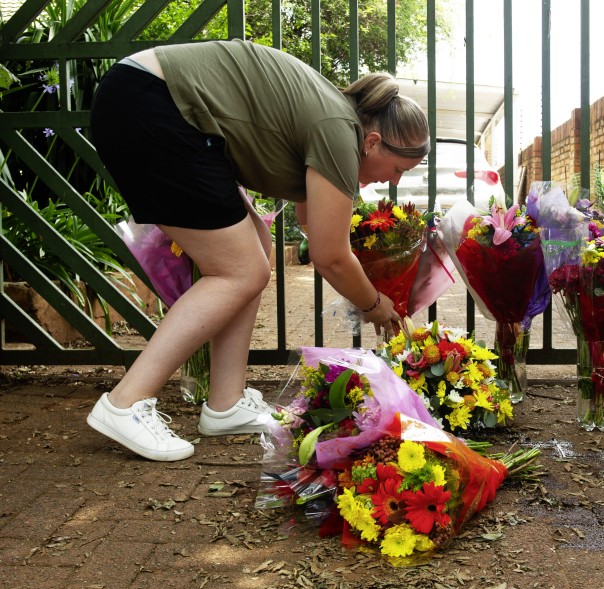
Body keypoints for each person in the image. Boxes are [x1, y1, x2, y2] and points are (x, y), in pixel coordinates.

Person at [87, 39, 430, 462]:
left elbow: (313, 225)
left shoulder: (337, 122)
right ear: (373, 142)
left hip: (156, 103)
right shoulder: (340, 129)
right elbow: (329, 255)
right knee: (239, 270)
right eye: (397, 170)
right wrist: (375, 304)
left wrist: (367, 275)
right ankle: (125, 403)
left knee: (257, 253)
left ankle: (226, 404)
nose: (391, 182)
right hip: (155, 105)